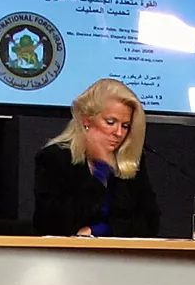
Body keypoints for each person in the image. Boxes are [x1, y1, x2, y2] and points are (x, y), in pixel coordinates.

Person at [32, 79, 160, 238]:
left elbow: (149, 222)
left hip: (122, 258)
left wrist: (97, 231)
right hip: (64, 257)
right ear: (86, 120)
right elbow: (57, 223)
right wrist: (100, 173)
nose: (119, 133)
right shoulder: (55, 157)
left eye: (125, 126)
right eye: (111, 122)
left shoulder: (130, 159)